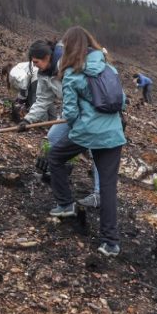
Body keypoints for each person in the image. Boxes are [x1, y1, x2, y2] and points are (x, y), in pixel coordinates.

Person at [45, 26, 126, 257]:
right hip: (113, 134)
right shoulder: (110, 68)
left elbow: (70, 114)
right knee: (108, 187)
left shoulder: (72, 73)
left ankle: (65, 204)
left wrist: (81, 126)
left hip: (87, 132)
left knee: (55, 156)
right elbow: (122, 102)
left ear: (69, 48)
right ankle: (110, 243)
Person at [19, 40, 101, 207]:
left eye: (36, 62)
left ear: (47, 57)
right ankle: (58, 171)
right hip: (70, 112)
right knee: (53, 137)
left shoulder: (69, 64)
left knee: (98, 151)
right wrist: (28, 119)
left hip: (91, 112)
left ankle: (100, 194)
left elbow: (89, 87)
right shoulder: (44, 74)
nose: (35, 66)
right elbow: (43, 100)